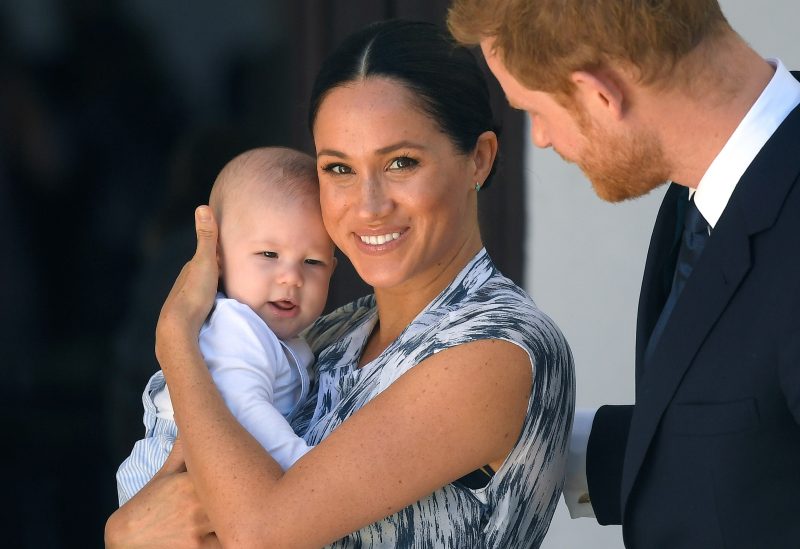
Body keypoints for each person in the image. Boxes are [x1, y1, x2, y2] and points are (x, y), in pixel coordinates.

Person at [105, 20, 575, 548]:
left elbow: (260, 532)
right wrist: (123, 531)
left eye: (401, 163)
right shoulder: (330, 333)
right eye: (339, 169)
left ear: (479, 160)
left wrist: (176, 340)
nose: (369, 206)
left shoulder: (497, 347)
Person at [448, 1, 800, 547]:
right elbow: (752, 441)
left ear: (600, 95)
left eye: (534, 112)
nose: (539, 138)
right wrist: (528, 442)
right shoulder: (712, 184)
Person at [115, 146, 336, 505]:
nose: (292, 277)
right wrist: (304, 469)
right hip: (177, 474)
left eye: (313, 262)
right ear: (217, 257)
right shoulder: (236, 327)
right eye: (269, 254)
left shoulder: (285, 337)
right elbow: (246, 410)